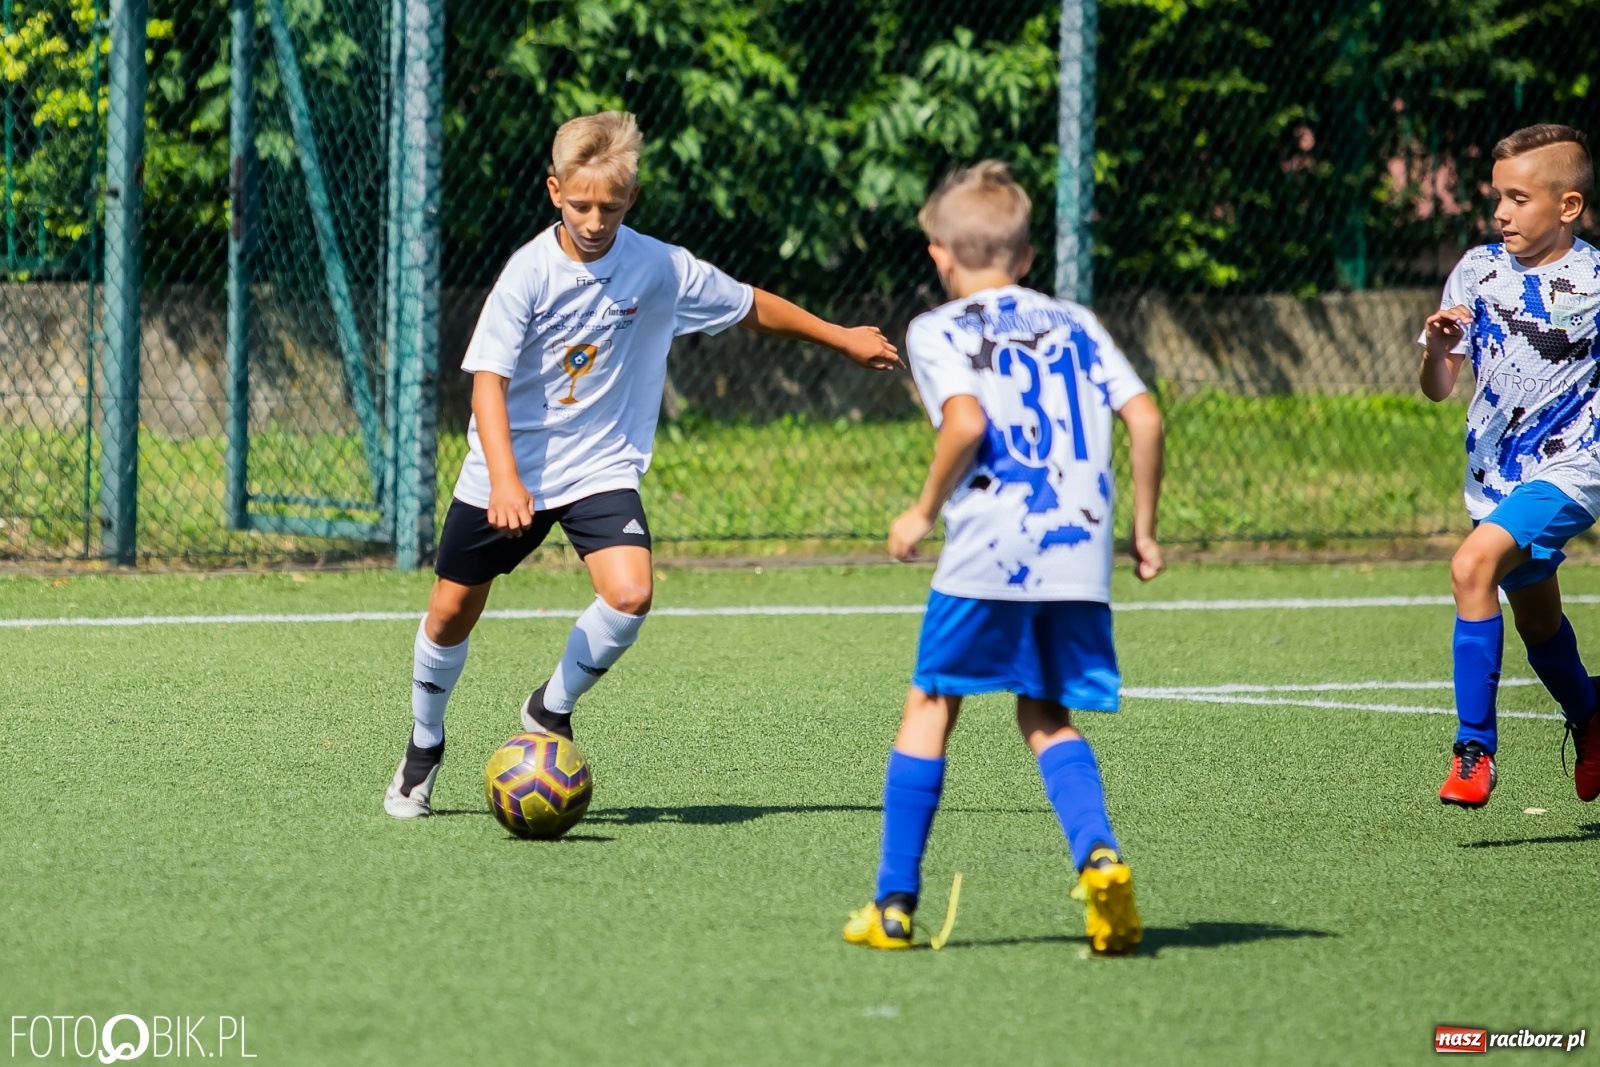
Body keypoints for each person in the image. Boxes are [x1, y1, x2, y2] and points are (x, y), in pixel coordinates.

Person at [385, 110, 900, 818]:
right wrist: (504, 477)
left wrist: (840, 337)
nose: (595, 219)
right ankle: (424, 743)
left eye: (611, 205)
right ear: (554, 191)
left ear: (632, 200)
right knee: (449, 612)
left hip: (599, 465)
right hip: (512, 468)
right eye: (581, 203)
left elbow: (750, 304)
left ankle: (548, 707)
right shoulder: (528, 273)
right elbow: (487, 384)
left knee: (630, 593)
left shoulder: (658, 266)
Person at [842, 161, 1165, 954]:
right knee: (1046, 713)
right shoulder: (1079, 321)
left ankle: (893, 904)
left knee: (931, 703)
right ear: (1025, 259)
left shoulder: (934, 328)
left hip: (993, 546)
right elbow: (1147, 417)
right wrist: (1146, 529)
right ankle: (1099, 856)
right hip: (1078, 549)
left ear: (939, 255)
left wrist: (920, 512)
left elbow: (964, 421)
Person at [1419, 123, 1600, 808]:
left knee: (1471, 567)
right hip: (1494, 476)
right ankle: (1590, 714)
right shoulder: (1477, 269)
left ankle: (1474, 752)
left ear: (1568, 206)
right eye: (1498, 197)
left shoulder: (1594, 280)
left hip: (1575, 467)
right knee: (1539, 625)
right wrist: (1437, 352)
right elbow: (1439, 387)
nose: (1501, 213)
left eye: (1519, 199)